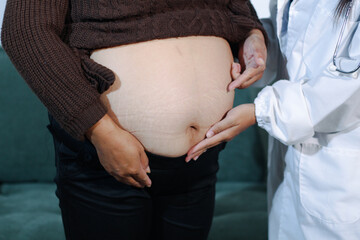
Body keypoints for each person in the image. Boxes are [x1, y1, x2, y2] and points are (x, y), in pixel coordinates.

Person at [1, 1, 267, 239]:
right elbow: (24, 30)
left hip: (199, 162)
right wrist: (102, 133)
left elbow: (237, 10)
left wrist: (252, 35)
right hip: (105, 160)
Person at [188, 0, 360, 239]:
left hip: (341, 172)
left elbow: (349, 90)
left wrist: (261, 111)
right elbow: (293, 36)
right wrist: (258, 43)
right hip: (291, 164)